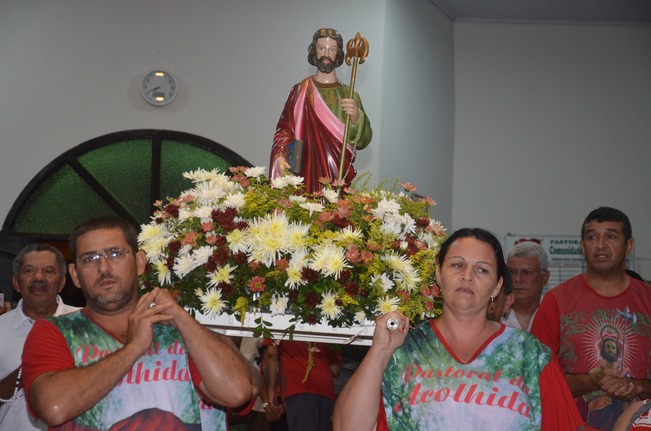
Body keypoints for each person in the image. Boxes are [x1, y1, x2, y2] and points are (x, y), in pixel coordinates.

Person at [333, 228, 591, 430]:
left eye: (482, 270)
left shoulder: (530, 355)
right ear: (438, 273)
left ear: (497, 286)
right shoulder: (402, 347)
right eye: (457, 265)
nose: (467, 275)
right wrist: (380, 351)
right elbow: (347, 427)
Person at [21, 215, 261, 429]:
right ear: (75, 275)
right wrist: (134, 348)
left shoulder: (178, 330)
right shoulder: (56, 332)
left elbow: (236, 392)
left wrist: (179, 316)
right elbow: (54, 408)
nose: (104, 268)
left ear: (138, 262)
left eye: (115, 254)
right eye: (90, 259)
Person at [531, 207, 651, 431]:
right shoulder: (556, 301)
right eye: (592, 237)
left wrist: (636, 387)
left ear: (629, 247)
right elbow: (536, 380)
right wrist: (594, 382)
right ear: (582, 246)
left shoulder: (648, 300)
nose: (601, 245)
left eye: (611, 236)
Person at [270, 27, 372, 194]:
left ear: (338, 53)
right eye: (321, 48)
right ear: (314, 50)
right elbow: (286, 130)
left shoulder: (349, 94)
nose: (326, 53)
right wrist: (281, 155)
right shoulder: (300, 91)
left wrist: (356, 118)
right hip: (303, 167)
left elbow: (363, 141)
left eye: (332, 49)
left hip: (336, 171)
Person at [0, 244, 78, 430]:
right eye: (29, 271)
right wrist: (30, 369)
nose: (39, 277)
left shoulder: (85, 323)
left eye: (49, 271)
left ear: (61, 283)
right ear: (16, 283)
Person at [262, 340, 341, 431]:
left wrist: (271, 391)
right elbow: (335, 369)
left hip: (299, 387)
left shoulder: (279, 325)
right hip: (325, 390)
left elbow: (271, 354)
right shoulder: (327, 327)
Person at [502, 240, 550, 331]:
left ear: (545, 278)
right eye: (511, 272)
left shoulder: (556, 313)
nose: (517, 279)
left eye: (527, 272)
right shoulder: (494, 313)